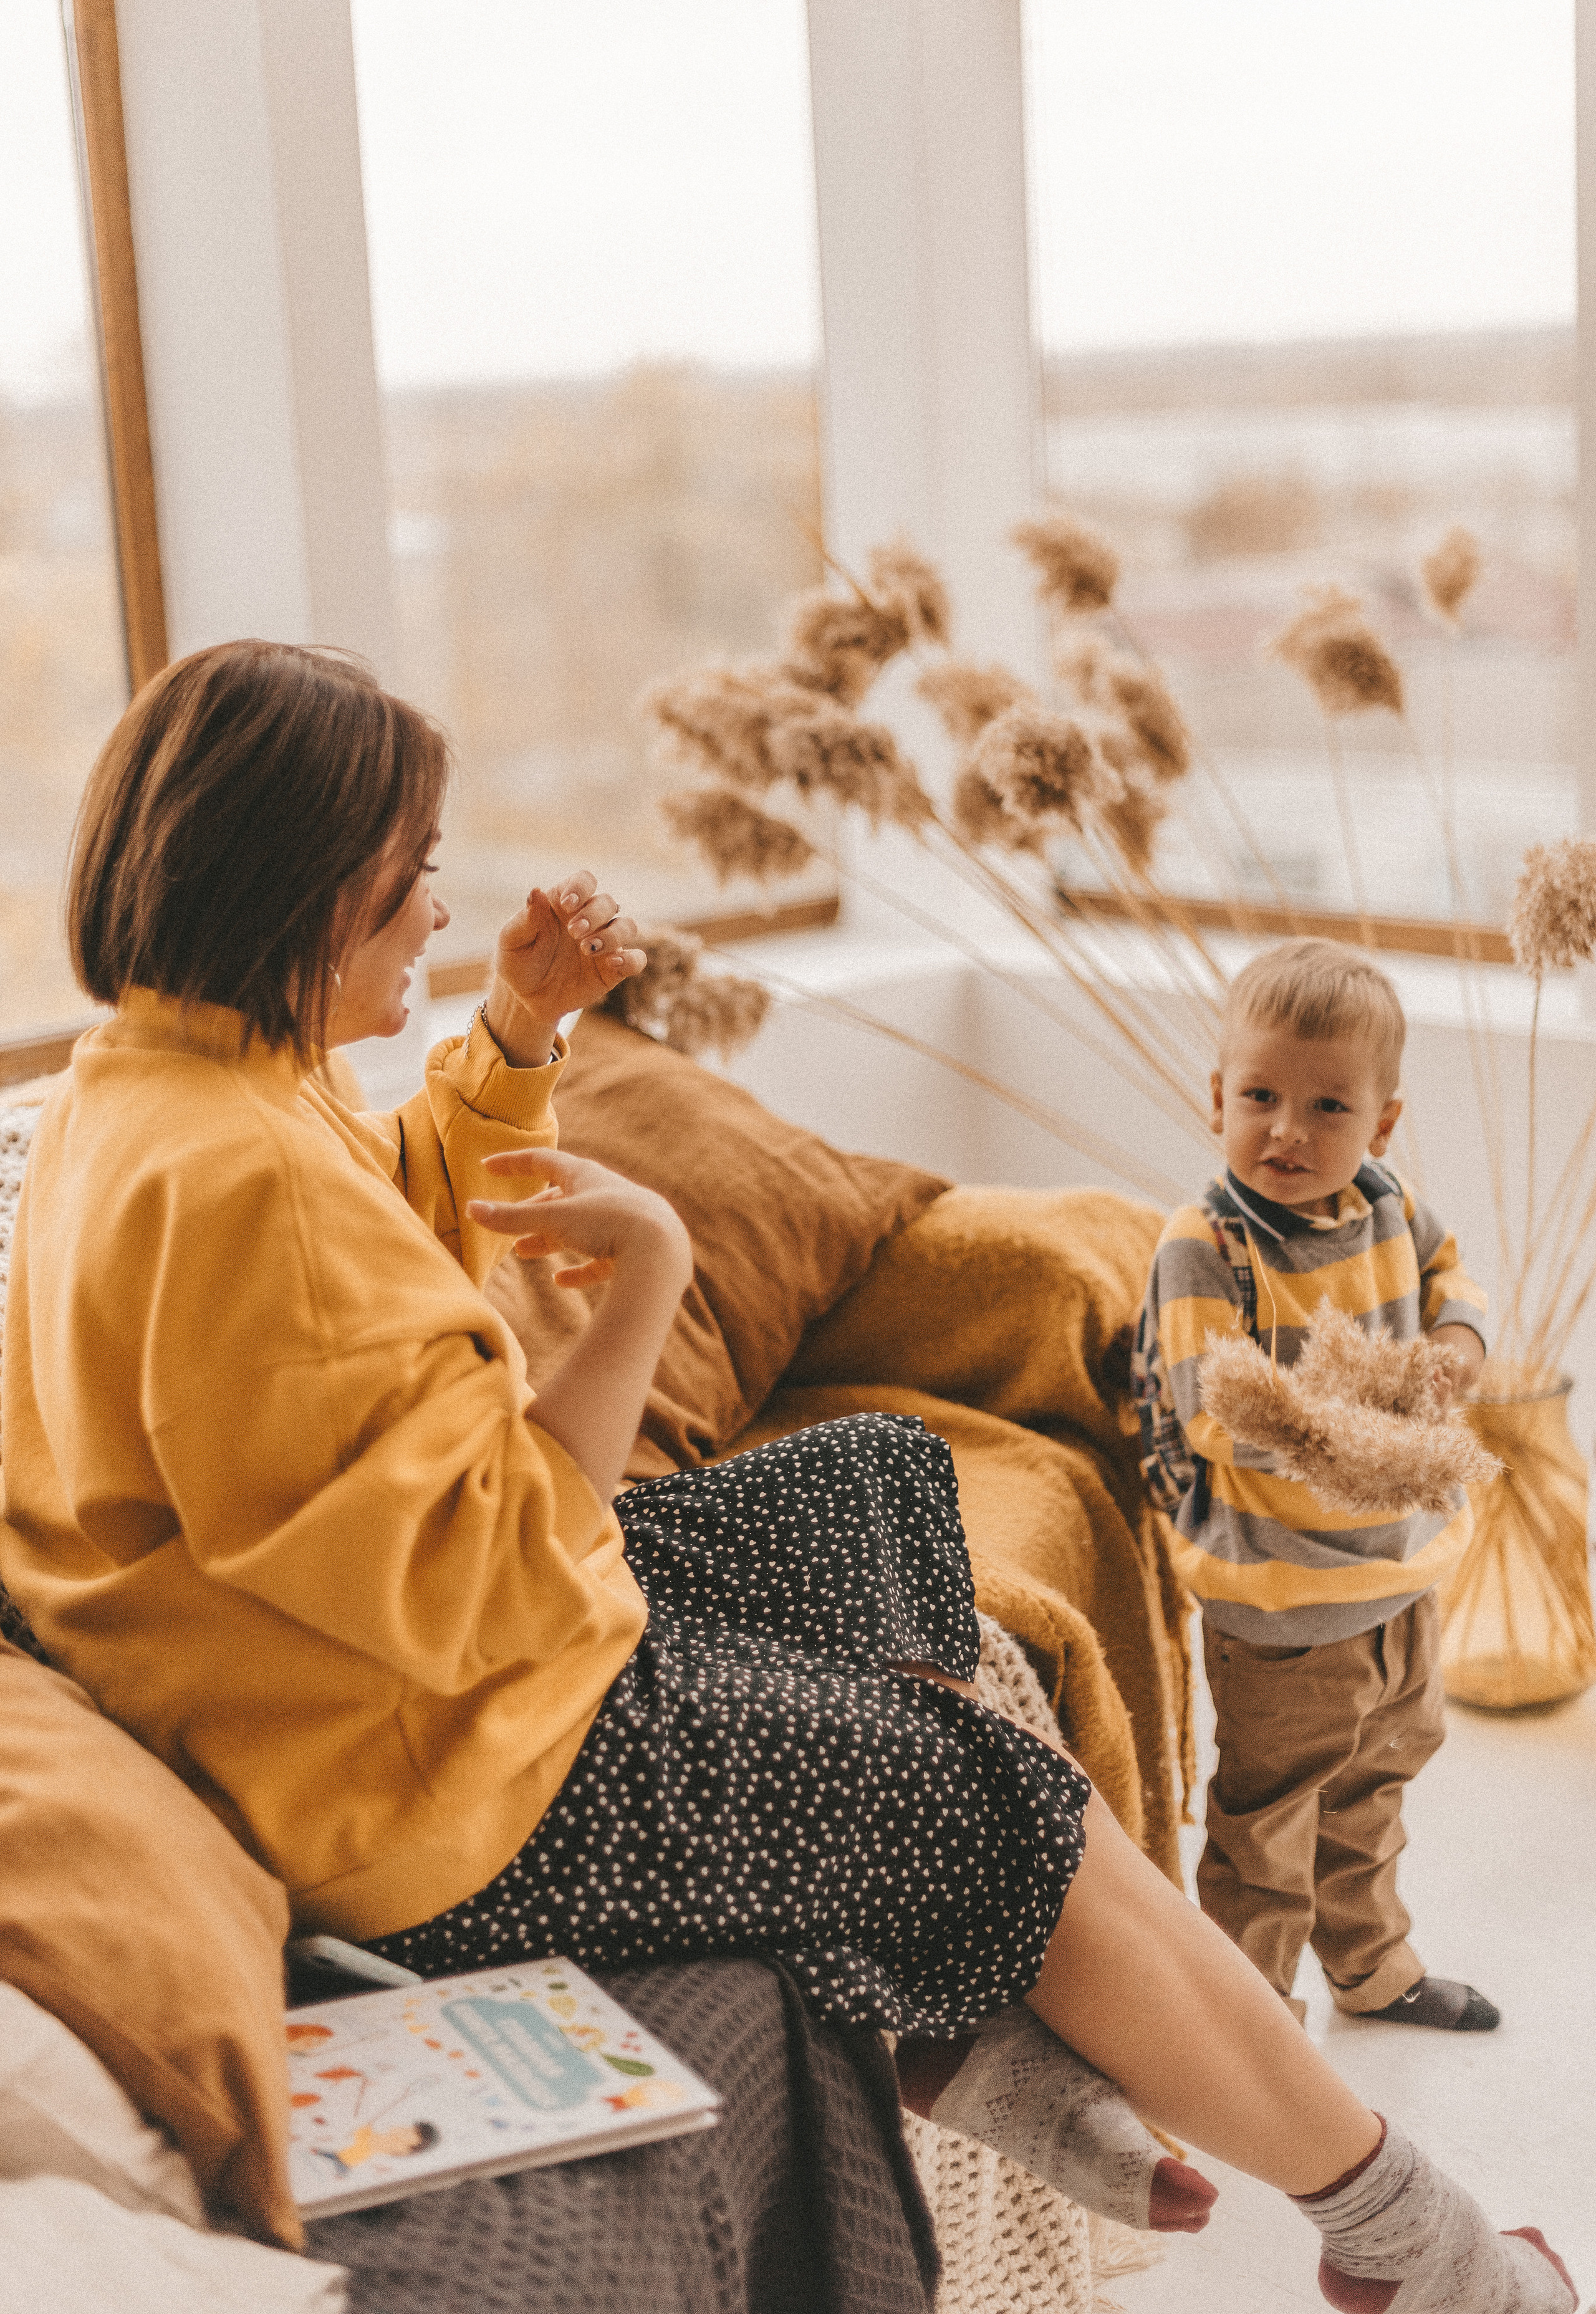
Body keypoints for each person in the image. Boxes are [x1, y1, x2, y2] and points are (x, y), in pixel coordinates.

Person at [0, 645, 1571, 2312]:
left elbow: (375, 1201)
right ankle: (1420, 2252)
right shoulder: (245, 1191)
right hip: (440, 1791)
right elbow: (514, 1568)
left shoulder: (158, 1090)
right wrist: (652, 1276)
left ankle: (964, 2015)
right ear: (303, 898)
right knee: (994, 1797)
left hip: (338, 1692)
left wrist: (522, 1027)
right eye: (412, 885)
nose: (435, 923)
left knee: (871, 1487)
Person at [1135, 938, 1497, 2033]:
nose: (1288, 1129)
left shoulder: (1388, 1204)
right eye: (1261, 1096)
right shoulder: (1208, 1248)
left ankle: (1372, 1967)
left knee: (1373, 1794)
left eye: (1328, 1106)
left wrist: (1457, 1348)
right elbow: (1218, 1412)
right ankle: (1249, 2021)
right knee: (1269, 1820)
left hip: (1398, 1579)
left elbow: (1451, 1279)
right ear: (1218, 1099)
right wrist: (1356, 1428)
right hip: (1284, 1602)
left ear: (1381, 1123)